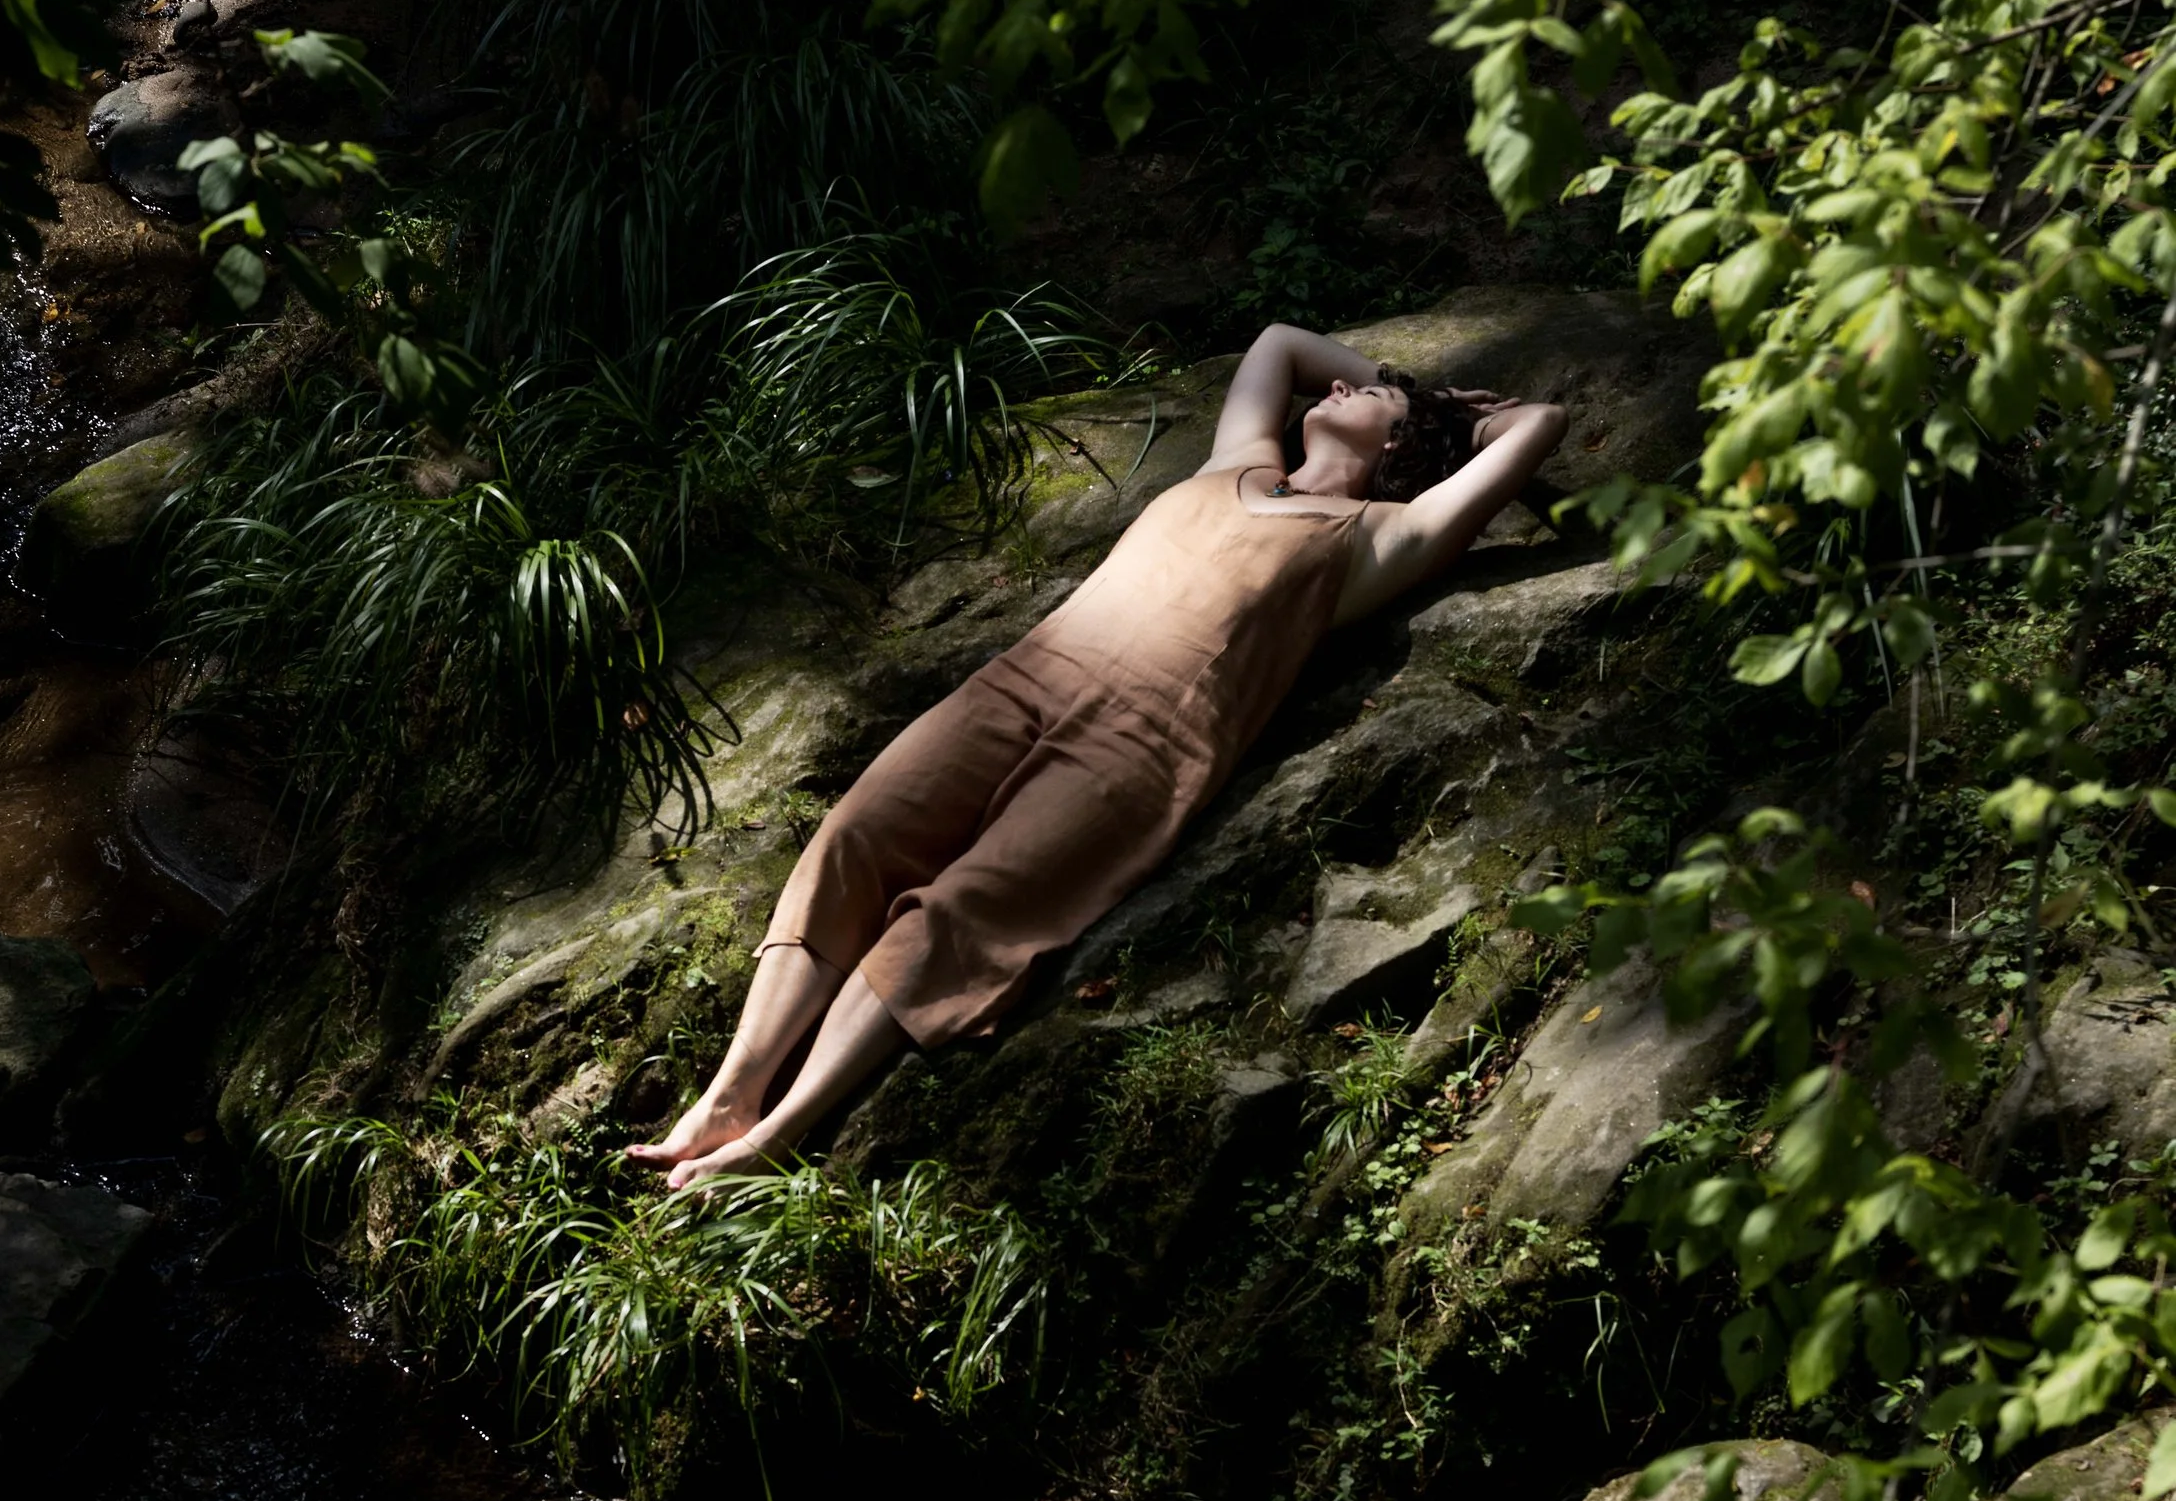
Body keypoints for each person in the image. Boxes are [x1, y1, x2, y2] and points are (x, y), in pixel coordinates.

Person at [629, 322, 1568, 1186]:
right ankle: (728, 1095)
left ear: (1399, 449)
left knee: (962, 912)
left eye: (1371, 397)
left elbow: (1543, 422)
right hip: (1023, 677)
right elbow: (1279, 344)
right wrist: (1398, 391)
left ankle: (777, 1133)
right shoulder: (1237, 461)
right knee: (855, 837)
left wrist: (1445, 412)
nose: (1338, 389)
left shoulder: (1380, 539)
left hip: (1141, 749)